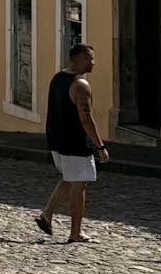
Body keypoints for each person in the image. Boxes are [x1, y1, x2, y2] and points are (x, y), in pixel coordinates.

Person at [37, 43, 109, 244]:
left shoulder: (58, 78)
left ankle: (47, 215)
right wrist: (100, 146)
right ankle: (75, 232)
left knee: (69, 179)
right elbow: (86, 118)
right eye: (90, 58)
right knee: (80, 184)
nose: (93, 62)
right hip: (74, 143)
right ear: (78, 59)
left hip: (56, 140)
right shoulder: (80, 85)